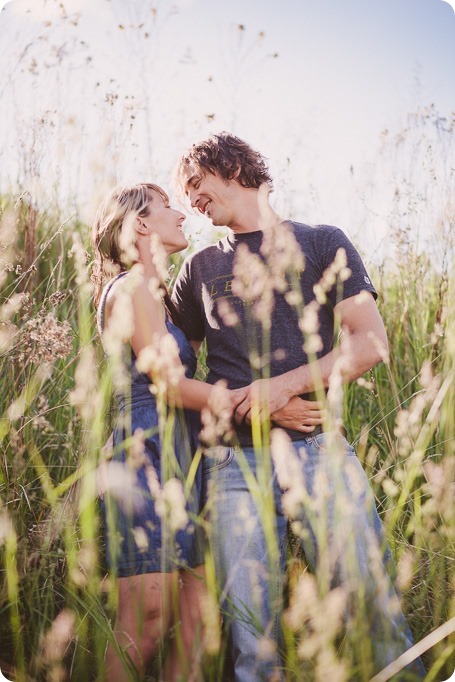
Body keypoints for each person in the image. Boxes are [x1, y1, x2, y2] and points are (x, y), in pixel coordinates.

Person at [172, 132, 426, 681]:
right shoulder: (197, 268)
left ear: (234, 166)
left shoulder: (321, 242)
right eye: (184, 192)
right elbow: (177, 377)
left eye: (196, 182)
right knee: (252, 641)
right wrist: (260, 408)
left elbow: (368, 344)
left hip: (317, 452)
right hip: (232, 468)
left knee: (372, 613)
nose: (191, 198)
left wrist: (279, 388)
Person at [91, 182, 228, 681]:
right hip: (144, 454)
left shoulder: (161, 298)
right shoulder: (130, 287)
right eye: (167, 206)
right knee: (148, 619)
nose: (181, 214)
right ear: (141, 224)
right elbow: (168, 385)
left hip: (185, 456)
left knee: (196, 615)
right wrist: (253, 401)